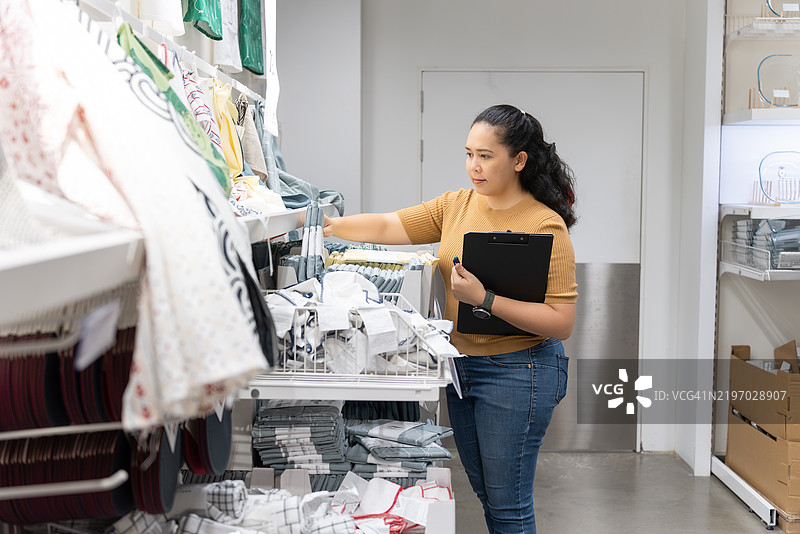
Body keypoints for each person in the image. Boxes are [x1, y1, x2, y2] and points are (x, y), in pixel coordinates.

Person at [323, 103, 578, 534]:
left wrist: (485, 298)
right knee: (488, 495)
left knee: (509, 505)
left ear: (518, 160)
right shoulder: (456, 206)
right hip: (462, 368)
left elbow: (561, 321)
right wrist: (327, 225)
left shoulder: (544, 225)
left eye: (485, 155)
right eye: (468, 153)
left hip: (520, 372)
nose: (473, 167)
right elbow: (389, 225)